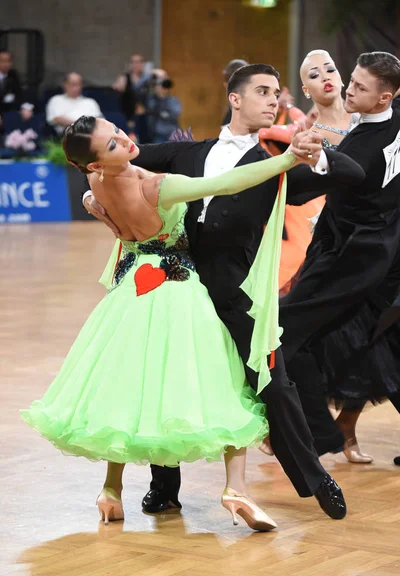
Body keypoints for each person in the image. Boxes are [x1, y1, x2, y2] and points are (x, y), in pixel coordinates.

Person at [84, 64, 366, 520]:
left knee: (273, 383)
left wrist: (319, 152)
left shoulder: (277, 166)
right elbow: (111, 161)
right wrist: (92, 195)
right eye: (262, 91)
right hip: (176, 290)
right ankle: (165, 488)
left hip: (236, 296)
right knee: (165, 381)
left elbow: (350, 176)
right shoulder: (187, 154)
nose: (273, 99)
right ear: (235, 99)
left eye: (277, 93)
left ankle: (315, 477)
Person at [20, 115, 321, 531]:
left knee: (125, 388)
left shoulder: (96, 185)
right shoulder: (154, 187)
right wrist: (286, 159)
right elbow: (228, 184)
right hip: (177, 292)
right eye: (111, 145)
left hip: (130, 294)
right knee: (222, 383)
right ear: (93, 164)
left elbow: (114, 214)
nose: (125, 142)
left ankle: (111, 490)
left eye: (118, 132)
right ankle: (235, 489)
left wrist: (95, 204)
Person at [279, 51, 400, 461]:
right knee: (381, 343)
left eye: (360, 87)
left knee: (287, 330)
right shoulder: (389, 113)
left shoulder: (361, 148)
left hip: (354, 255)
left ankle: (317, 433)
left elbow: (346, 171)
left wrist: (314, 158)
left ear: (384, 98)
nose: (347, 87)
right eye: (350, 77)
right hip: (375, 251)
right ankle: (331, 430)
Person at [295, 49, 374, 464]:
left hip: (379, 238)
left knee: (377, 338)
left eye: (330, 68)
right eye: (314, 73)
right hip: (336, 239)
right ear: (305, 89)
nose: (325, 76)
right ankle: (301, 423)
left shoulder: (370, 117)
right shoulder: (308, 132)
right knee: (327, 339)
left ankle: (348, 425)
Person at [45, 72, 102, 137]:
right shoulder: (56, 100)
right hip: (66, 136)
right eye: (74, 84)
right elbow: (57, 119)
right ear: (65, 85)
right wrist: (81, 126)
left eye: (79, 84)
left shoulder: (90, 102)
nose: (77, 88)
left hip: (91, 135)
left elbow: (99, 120)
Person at [147, 76, 181, 142]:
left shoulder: (173, 100)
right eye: (159, 86)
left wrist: (161, 113)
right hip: (158, 135)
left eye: (163, 86)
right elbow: (151, 110)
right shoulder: (151, 100)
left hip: (172, 134)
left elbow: (175, 114)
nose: (162, 88)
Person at [0, 49, 22, 116]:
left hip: (9, 113)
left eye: (8, 61)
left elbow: (19, 95)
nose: (5, 64)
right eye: (2, 61)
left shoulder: (13, 75)